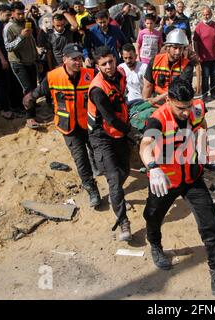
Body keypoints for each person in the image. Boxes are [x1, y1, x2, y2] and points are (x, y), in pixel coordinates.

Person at [139, 78, 215, 297]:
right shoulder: (157, 120)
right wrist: (152, 166)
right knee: (153, 215)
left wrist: (203, 154)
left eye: (189, 106)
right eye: (181, 108)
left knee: (210, 223)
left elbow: (201, 128)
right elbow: (145, 146)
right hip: (165, 179)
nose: (186, 112)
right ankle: (155, 244)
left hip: (192, 178)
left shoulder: (195, 111)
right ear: (168, 100)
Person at [23, 44, 101, 208]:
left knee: (96, 150)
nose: (78, 62)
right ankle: (92, 189)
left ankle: (96, 164)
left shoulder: (91, 74)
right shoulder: (52, 76)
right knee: (80, 159)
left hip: (88, 123)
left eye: (80, 58)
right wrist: (29, 99)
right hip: (68, 127)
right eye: (74, 59)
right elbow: (38, 93)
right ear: (64, 60)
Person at [88, 46, 132, 241]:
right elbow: (110, 119)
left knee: (125, 170)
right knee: (114, 178)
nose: (108, 66)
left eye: (111, 62)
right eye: (103, 64)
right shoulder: (97, 89)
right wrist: (132, 132)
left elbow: (122, 99)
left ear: (116, 60)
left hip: (118, 130)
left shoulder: (121, 74)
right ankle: (123, 221)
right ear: (97, 66)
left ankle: (117, 195)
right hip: (101, 135)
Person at [4, 1, 40, 129]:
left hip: (30, 61)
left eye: (22, 13)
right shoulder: (9, 27)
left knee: (34, 87)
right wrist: (21, 36)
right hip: (19, 63)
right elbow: (8, 47)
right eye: (18, 14)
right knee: (28, 90)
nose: (21, 16)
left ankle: (33, 109)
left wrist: (36, 58)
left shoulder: (26, 22)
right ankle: (30, 118)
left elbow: (31, 42)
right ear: (12, 13)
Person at [0, 4, 24, 120]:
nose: (8, 17)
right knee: (2, 84)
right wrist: (2, 59)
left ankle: (8, 105)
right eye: (7, 15)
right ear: (0, 13)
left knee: (6, 83)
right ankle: (5, 110)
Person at [142, 28, 194, 107]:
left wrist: (156, 99)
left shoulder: (187, 65)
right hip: (157, 103)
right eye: (175, 48)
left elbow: (179, 88)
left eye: (181, 48)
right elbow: (148, 85)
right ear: (167, 47)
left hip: (177, 104)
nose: (178, 52)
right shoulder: (155, 60)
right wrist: (145, 103)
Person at [193, 6, 215, 101]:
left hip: (214, 57)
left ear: (211, 14)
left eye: (207, 14)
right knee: (205, 76)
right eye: (204, 14)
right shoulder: (199, 26)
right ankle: (205, 94)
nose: (206, 16)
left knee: (214, 76)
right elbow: (195, 41)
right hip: (203, 58)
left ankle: (213, 93)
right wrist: (197, 54)